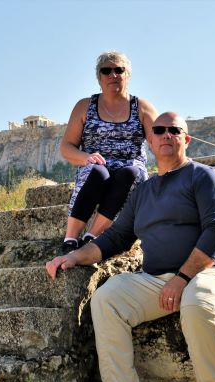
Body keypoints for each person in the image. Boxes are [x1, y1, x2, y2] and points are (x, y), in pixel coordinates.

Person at [46, 112, 215, 382]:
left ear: (186, 139)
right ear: (150, 141)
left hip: (212, 272)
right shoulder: (143, 191)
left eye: (174, 130)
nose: (166, 135)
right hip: (158, 278)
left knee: (197, 302)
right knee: (107, 299)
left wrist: (182, 279)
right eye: (159, 130)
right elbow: (114, 238)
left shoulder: (203, 176)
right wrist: (73, 256)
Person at [58, 51, 158, 255]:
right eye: (106, 71)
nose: (113, 75)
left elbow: (159, 139)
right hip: (95, 163)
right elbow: (66, 146)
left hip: (130, 166)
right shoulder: (85, 106)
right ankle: (70, 239)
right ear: (99, 78)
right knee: (98, 173)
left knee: (129, 173)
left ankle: (91, 236)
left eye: (118, 70)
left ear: (127, 75)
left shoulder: (142, 107)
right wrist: (86, 157)